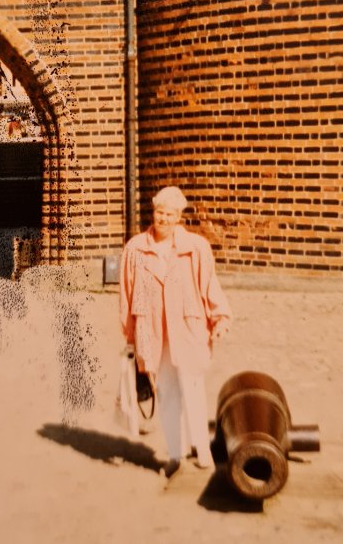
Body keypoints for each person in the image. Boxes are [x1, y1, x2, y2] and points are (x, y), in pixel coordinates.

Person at [119, 185, 232, 478]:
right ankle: (174, 454)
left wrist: (219, 317)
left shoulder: (195, 248)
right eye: (160, 212)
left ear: (179, 217)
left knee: (193, 388)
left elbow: (209, 284)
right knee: (167, 392)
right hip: (153, 333)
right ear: (153, 212)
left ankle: (202, 451)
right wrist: (130, 336)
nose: (164, 219)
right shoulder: (136, 249)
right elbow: (126, 295)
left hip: (188, 328)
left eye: (170, 214)